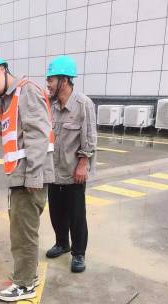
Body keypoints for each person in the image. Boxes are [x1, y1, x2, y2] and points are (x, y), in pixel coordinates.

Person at [0, 55, 54, 302]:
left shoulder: (26, 91)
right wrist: (0, 116)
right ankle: (28, 275)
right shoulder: (9, 100)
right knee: (21, 230)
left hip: (29, 177)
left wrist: (32, 178)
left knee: (23, 233)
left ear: (2, 69)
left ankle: (25, 284)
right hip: (19, 176)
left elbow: (39, 136)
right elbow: (16, 136)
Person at [45, 55, 97, 273]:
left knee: (76, 215)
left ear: (64, 81)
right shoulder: (52, 105)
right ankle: (62, 243)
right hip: (54, 171)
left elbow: (90, 138)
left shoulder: (83, 104)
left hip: (74, 171)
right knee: (56, 213)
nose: (47, 84)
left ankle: (78, 253)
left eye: (51, 79)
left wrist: (83, 164)